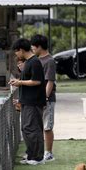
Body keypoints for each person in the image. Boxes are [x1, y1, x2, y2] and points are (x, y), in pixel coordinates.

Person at [9, 38, 46, 165]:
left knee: (33, 128)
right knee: (26, 128)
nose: (16, 54)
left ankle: (37, 158)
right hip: (26, 101)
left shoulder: (35, 62)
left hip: (34, 102)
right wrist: (18, 82)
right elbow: (28, 80)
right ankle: (31, 155)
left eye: (16, 51)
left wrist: (19, 82)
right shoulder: (28, 62)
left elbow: (37, 81)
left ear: (21, 50)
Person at [31, 34, 56, 162]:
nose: (33, 50)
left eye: (34, 47)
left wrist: (45, 98)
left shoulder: (49, 61)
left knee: (47, 126)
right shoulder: (36, 60)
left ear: (40, 47)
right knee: (37, 126)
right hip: (36, 99)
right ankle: (38, 152)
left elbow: (50, 82)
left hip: (47, 99)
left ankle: (49, 153)